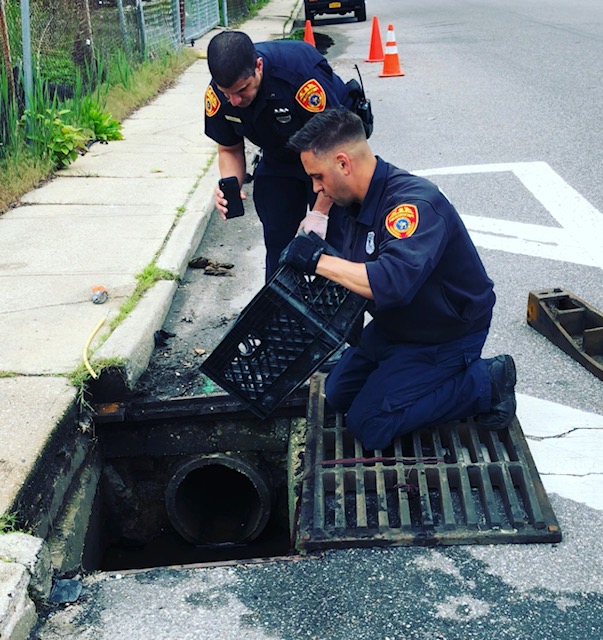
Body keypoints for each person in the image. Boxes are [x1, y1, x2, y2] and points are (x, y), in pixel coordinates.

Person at [281, 107, 517, 451]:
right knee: (338, 393)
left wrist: (317, 261)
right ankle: (404, 376)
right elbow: (352, 271)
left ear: (344, 164)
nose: (317, 188)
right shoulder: (350, 204)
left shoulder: (413, 205)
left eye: (318, 177)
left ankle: (485, 382)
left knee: (369, 425)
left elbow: (390, 282)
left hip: (445, 333)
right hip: (398, 325)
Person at [204, 30, 357, 280]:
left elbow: (335, 148)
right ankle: (280, 314)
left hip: (331, 158)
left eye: (242, 90)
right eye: (226, 92)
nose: (233, 100)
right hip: (279, 157)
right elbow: (229, 147)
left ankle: (336, 312)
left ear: (259, 67)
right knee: (278, 240)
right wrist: (230, 185)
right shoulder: (219, 96)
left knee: (334, 241)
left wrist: (319, 213)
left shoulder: (300, 77)